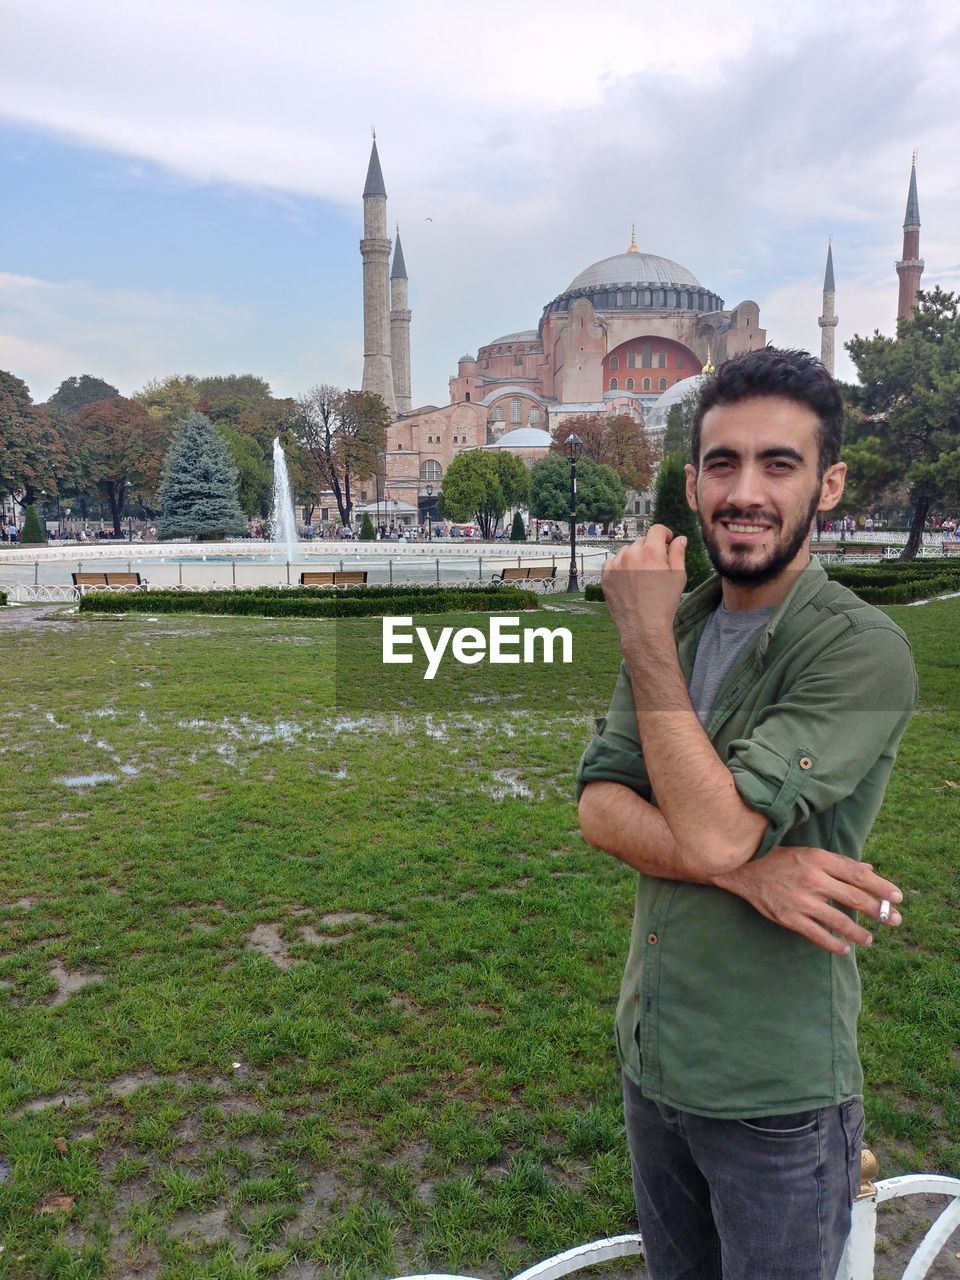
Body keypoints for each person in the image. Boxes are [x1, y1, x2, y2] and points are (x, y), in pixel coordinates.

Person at [576, 347, 917, 1280]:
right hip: (655, 1060)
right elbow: (602, 809)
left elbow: (717, 826)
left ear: (830, 483)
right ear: (692, 483)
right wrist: (751, 870)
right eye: (723, 463)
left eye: (780, 463)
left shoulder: (859, 651)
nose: (745, 490)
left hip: (776, 1096)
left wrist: (641, 636)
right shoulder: (683, 627)